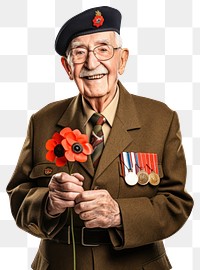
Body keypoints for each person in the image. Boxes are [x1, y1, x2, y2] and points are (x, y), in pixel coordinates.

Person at [7, 6, 193, 270]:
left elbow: (177, 204)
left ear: (123, 59)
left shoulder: (161, 119)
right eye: (79, 52)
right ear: (67, 66)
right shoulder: (42, 121)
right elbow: (18, 196)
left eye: (103, 49)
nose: (92, 63)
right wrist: (48, 203)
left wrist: (120, 214)